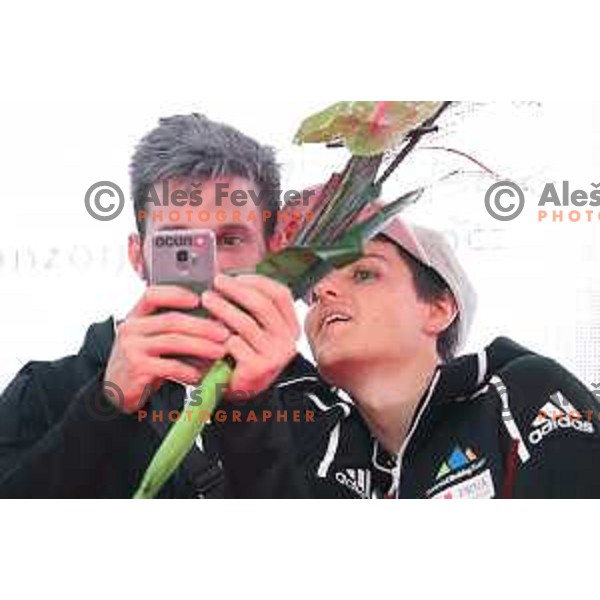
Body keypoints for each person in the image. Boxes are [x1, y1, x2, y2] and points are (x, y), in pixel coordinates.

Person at [0, 113, 322, 499]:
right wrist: (105, 407)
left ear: (273, 250)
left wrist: (250, 416)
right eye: (180, 245)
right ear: (138, 256)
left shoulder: (319, 407)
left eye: (232, 240)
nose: (212, 270)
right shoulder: (44, 392)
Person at [218, 215, 600, 498]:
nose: (325, 291)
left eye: (364, 274)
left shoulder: (521, 391)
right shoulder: (321, 451)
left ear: (438, 309)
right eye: (314, 292)